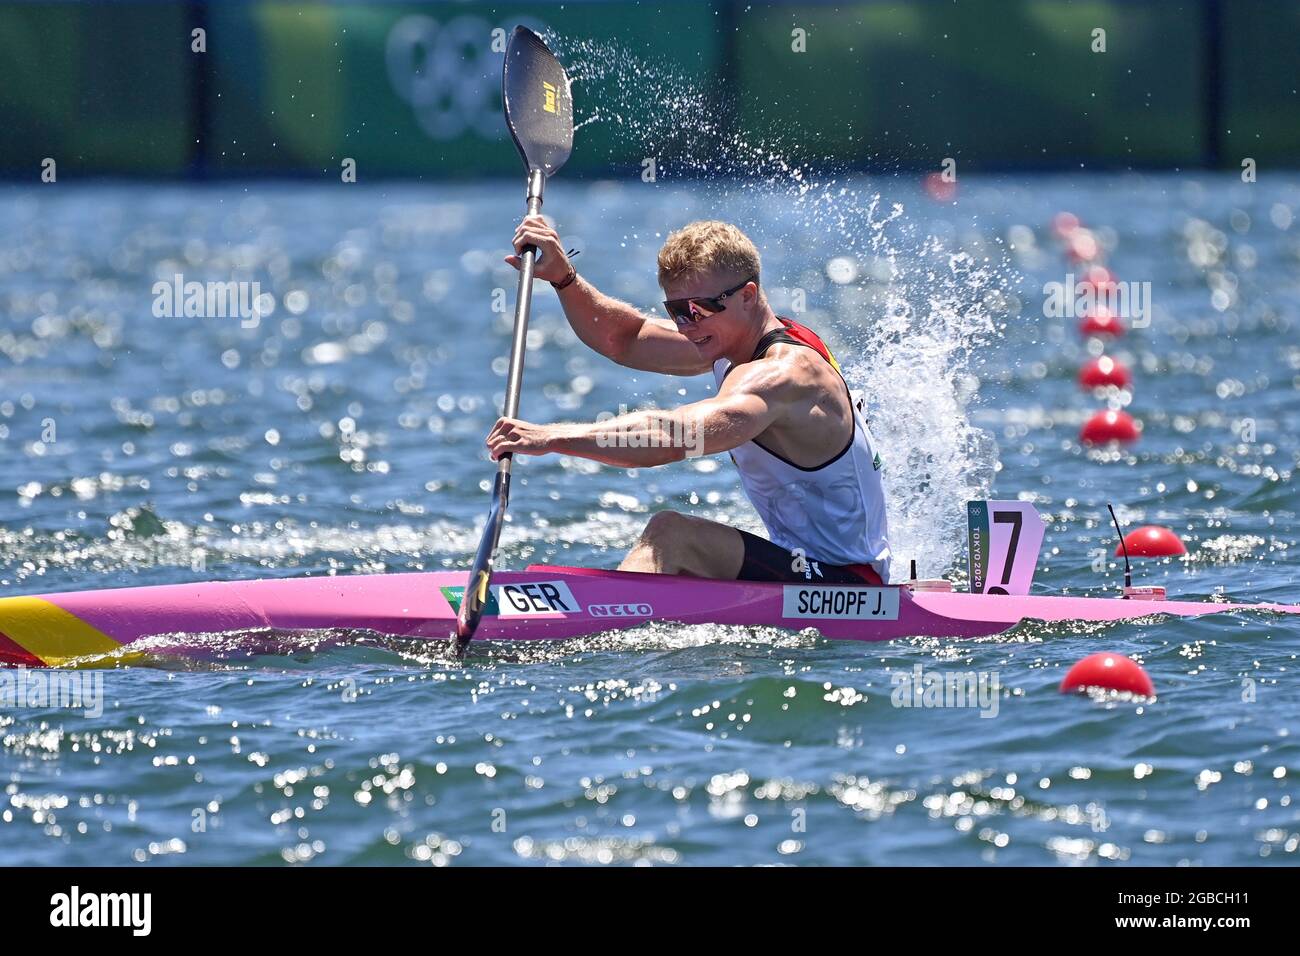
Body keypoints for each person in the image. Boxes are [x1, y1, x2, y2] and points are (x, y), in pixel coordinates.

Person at [486, 216, 891, 584]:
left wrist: (552, 438)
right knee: (671, 536)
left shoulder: (784, 375)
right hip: (802, 563)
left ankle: (601, 633)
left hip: (847, 583)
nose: (685, 325)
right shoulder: (730, 340)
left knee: (671, 536)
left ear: (748, 295)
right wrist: (564, 277)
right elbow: (624, 339)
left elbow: (678, 436)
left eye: (697, 309)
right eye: (676, 310)